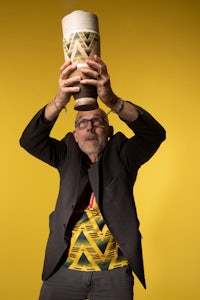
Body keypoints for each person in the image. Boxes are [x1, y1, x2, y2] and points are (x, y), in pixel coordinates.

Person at [20, 55, 166, 300]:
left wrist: (113, 101)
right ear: (75, 135)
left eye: (98, 121)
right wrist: (59, 101)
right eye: (82, 123)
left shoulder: (123, 154)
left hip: (114, 274)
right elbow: (29, 140)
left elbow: (154, 134)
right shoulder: (66, 153)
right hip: (63, 272)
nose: (89, 127)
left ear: (108, 132)